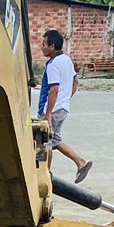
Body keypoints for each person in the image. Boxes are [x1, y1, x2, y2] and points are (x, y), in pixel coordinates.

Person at [40, 29, 91, 183]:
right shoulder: (66, 60)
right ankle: (80, 163)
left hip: (53, 109)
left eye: (44, 44)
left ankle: (45, 176)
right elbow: (75, 82)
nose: (42, 47)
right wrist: (65, 99)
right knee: (54, 140)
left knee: (45, 143)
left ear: (52, 46)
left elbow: (54, 89)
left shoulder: (53, 65)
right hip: (61, 107)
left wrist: (48, 113)